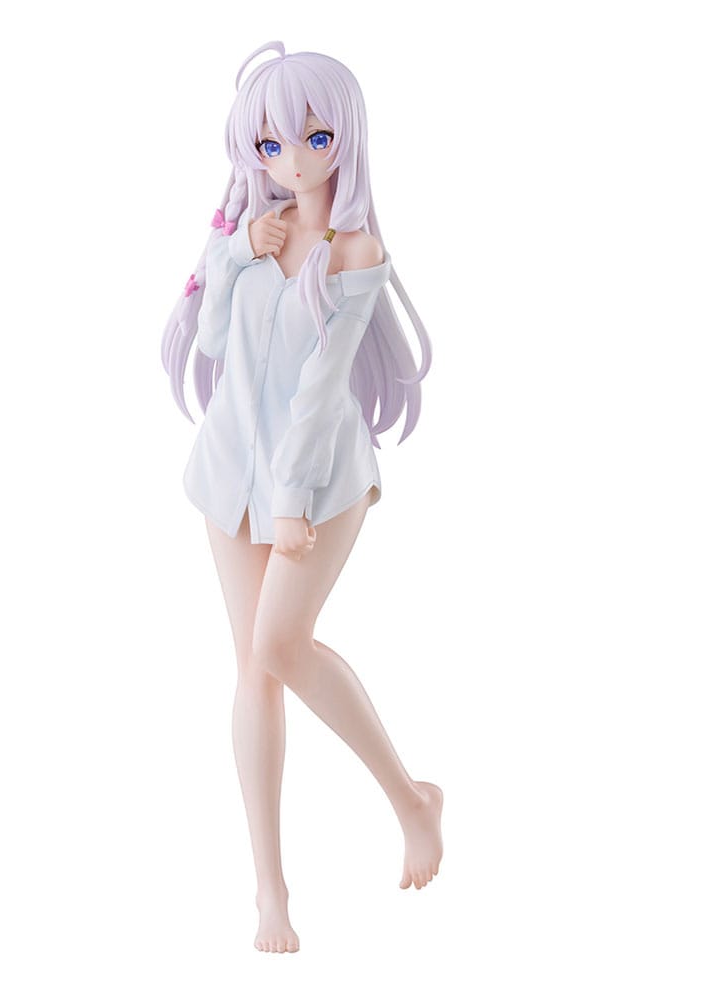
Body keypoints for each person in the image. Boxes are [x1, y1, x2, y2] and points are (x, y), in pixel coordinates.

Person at [160, 40, 443, 954]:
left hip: (317, 483)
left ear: (343, 138)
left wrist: (290, 501)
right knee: (251, 670)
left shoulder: (353, 249)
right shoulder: (260, 227)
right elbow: (211, 340)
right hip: (229, 475)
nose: (292, 160)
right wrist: (235, 252)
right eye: (271, 145)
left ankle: (412, 799)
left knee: (281, 645)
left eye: (314, 139)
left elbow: (322, 391)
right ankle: (269, 891)